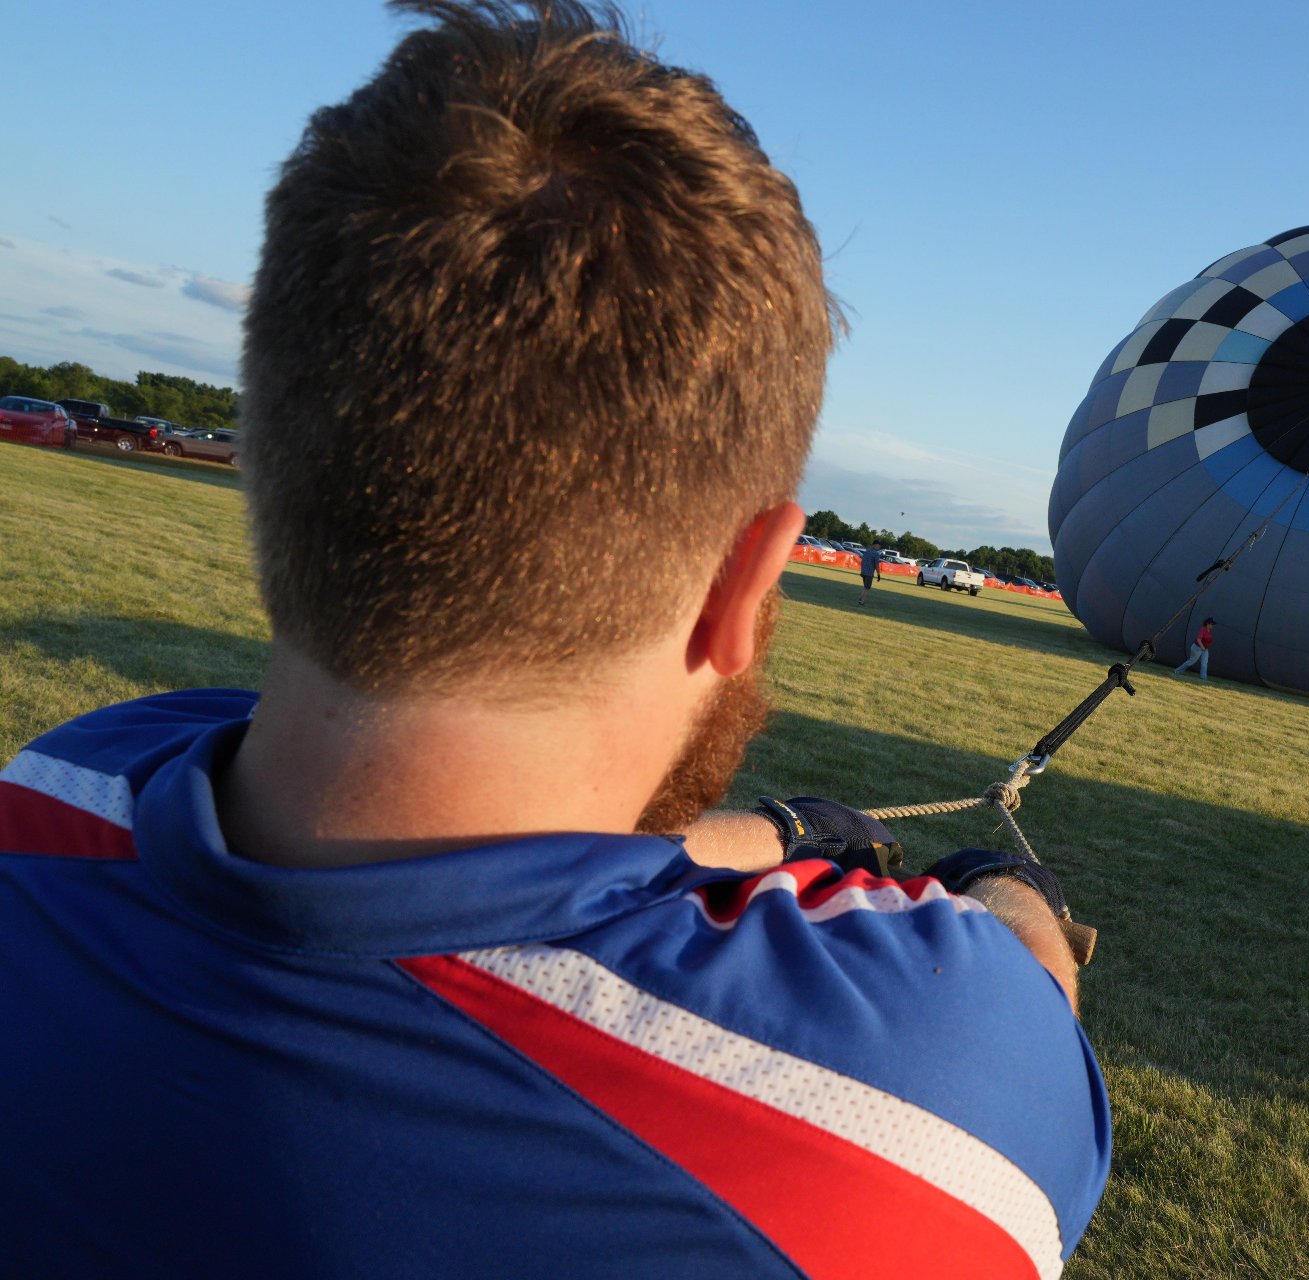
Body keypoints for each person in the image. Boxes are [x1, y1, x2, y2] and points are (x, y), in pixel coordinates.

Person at [0, 5, 1109, 1277]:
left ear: (268, 467)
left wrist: (781, 831)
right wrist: (1011, 889)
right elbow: (1028, 999)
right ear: (748, 582)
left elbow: (443, 880)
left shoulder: (65, 786)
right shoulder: (915, 1099)